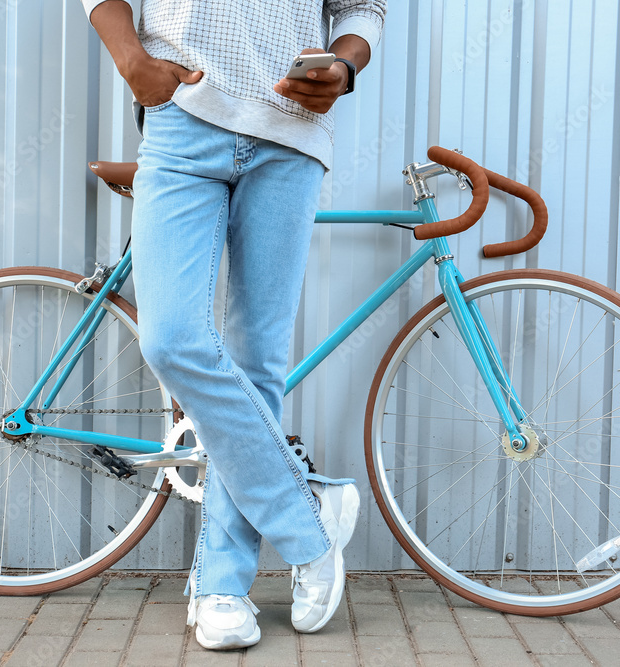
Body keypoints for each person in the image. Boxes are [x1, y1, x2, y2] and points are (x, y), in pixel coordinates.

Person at [82, 0, 386, 650]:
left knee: (258, 364)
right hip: (184, 121)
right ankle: (309, 520)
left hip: (293, 137)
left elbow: (362, 8)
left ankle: (222, 584)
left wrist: (345, 65)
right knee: (170, 336)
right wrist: (132, 60)